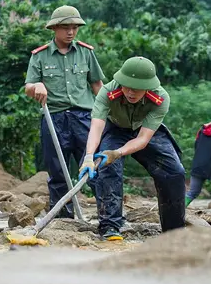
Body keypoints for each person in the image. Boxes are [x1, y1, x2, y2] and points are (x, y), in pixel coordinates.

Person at [79, 56, 186, 241]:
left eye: (136, 89)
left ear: (148, 87)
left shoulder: (160, 98)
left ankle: (173, 233)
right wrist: (89, 157)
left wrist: (117, 153)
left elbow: (143, 139)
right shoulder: (107, 92)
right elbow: (96, 127)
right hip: (114, 129)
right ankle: (110, 227)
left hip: (144, 130)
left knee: (174, 172)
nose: (130, 92)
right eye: (126, 85)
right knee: (107, 169)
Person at [24, 5, 105, 219]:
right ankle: (63, 218)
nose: (70, 32)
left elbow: (97, 85)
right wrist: (37, 87)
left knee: (93, 166)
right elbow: (28, 87)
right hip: (54, 118)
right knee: (58, 171)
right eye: (66, 28)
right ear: (55, 29)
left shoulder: (86, 53)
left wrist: (107, 114)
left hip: (83, 118)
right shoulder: (40, 56)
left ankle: (109, 216)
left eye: (74, 28)